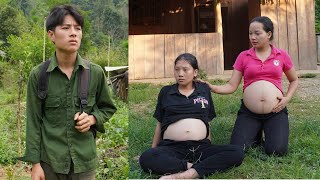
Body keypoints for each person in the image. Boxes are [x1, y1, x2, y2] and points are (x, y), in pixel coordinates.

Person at [19, 5, 117, 180]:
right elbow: (33, 122)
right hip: (50, 163)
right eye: (66, 28)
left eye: (77, 28)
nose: (73, 33)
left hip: (84, 163)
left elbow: (107, 108)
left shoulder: (94, 73)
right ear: (51, 35)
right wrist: (35, 165)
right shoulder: (39, 75)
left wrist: (92, 119)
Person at [202, 16, 298, 156]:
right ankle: (256, 133)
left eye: (257, 33)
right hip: (249, 113)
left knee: (277, 151)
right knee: (237, 149)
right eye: (250, 33)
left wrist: (287, 98)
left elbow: (294, 80)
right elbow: (231, 85)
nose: (253, 37)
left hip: (276, 111)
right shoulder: (244, 56)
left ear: (269, 34)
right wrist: (213, 87)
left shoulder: (281, 55)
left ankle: (266, 131)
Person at [139, 53, 244, 179]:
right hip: (172, 147)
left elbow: (206, 121)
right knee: (146, 157)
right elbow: (160, 122)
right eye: (177, 70)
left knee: (236, 152)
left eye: (185, 69)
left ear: (195, 72)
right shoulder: (166, 91)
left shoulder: (203, 90)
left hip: (200, 146)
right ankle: (193, 167)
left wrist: (208, 144)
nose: (180, 74)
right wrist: (154, 149)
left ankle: (186, 174)